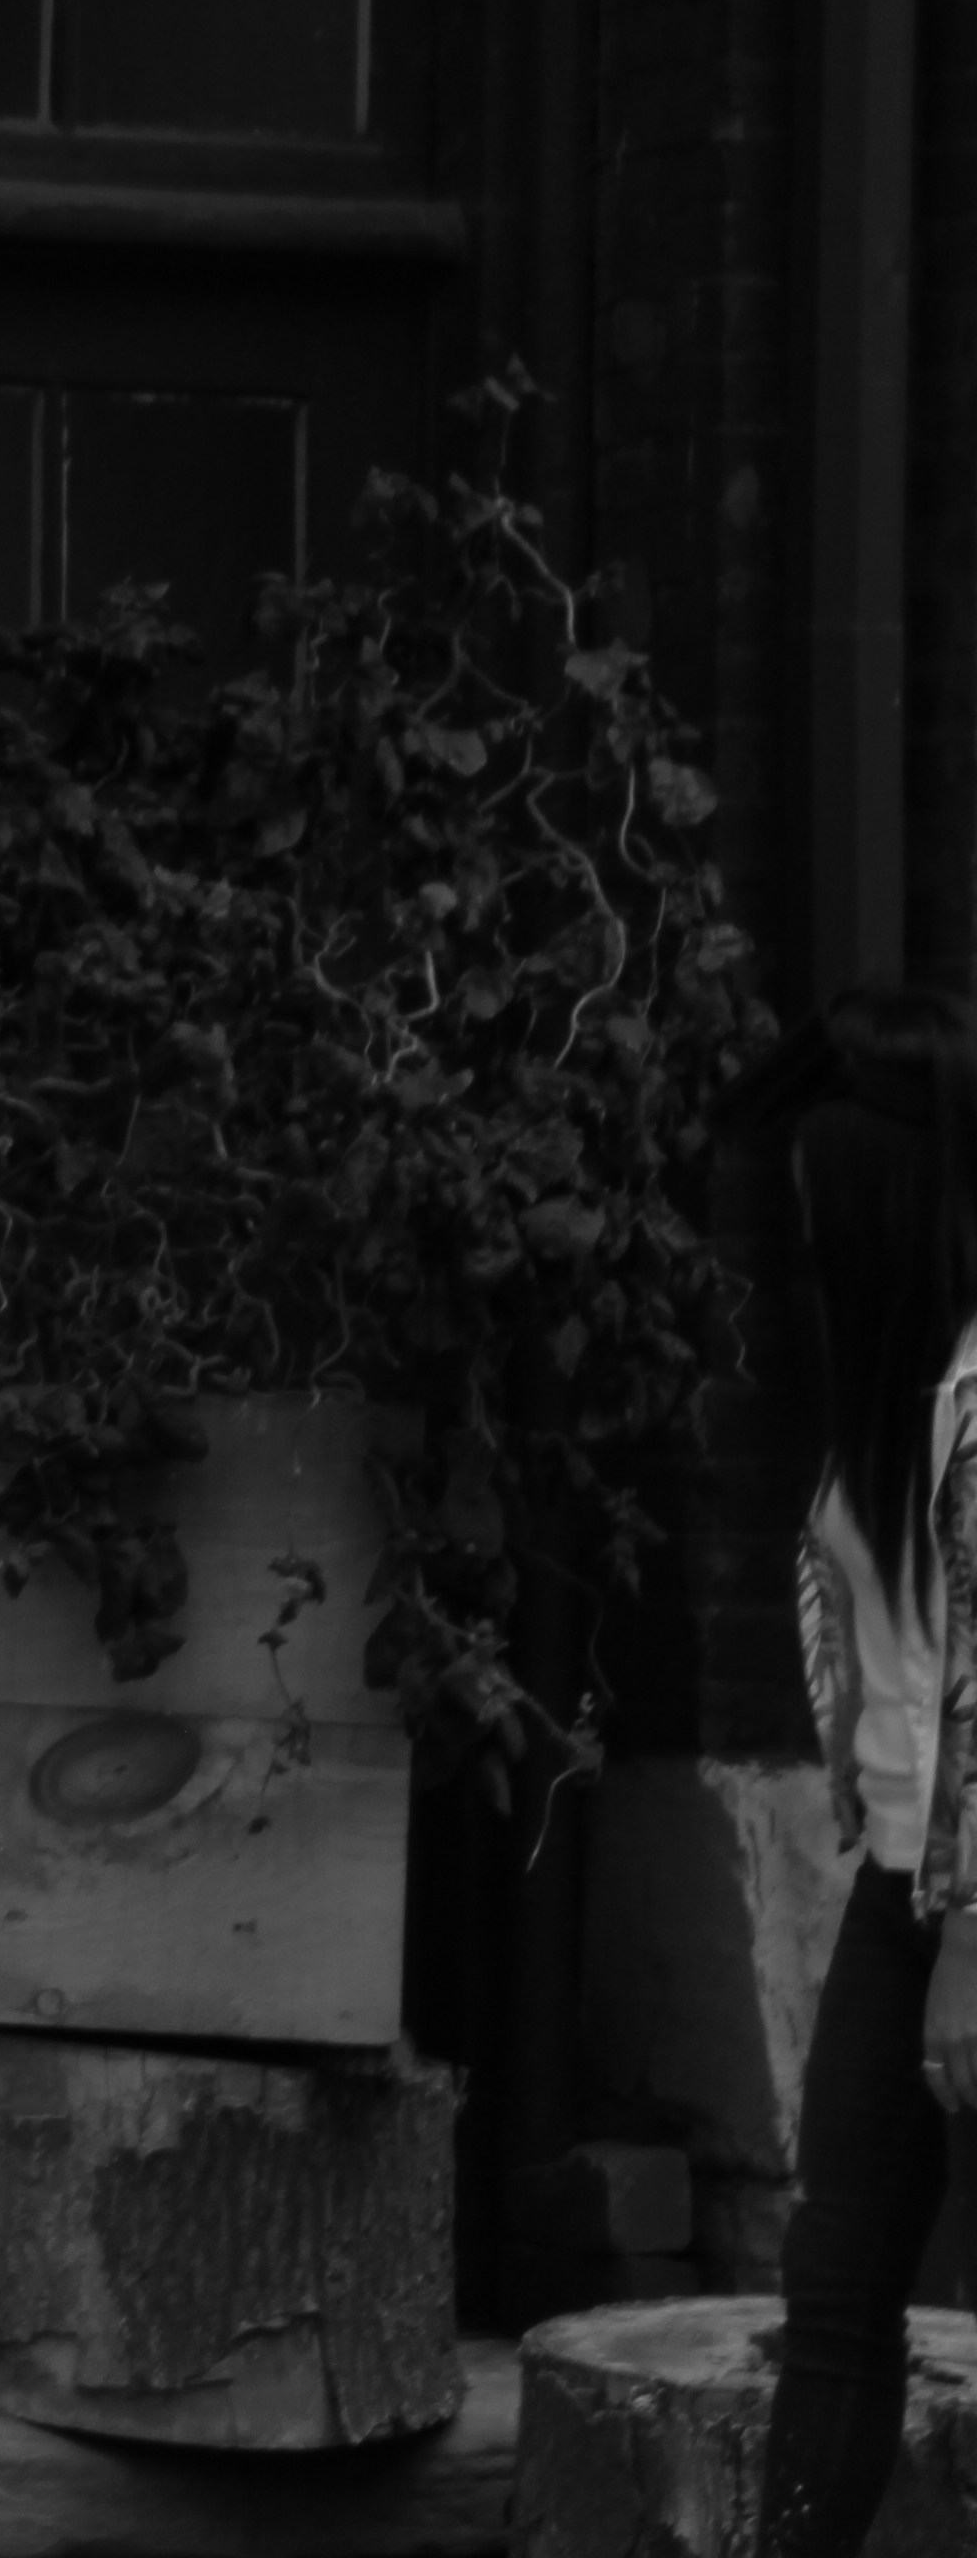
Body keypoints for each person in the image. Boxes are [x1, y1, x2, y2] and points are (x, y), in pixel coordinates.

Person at [733, 982, 977, 2557]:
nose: (801, 1250)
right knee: (833, 2299)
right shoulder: (895, 1401)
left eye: (823, 1212)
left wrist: (966, 1947)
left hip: (962, 1916)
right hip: (907, 1896)